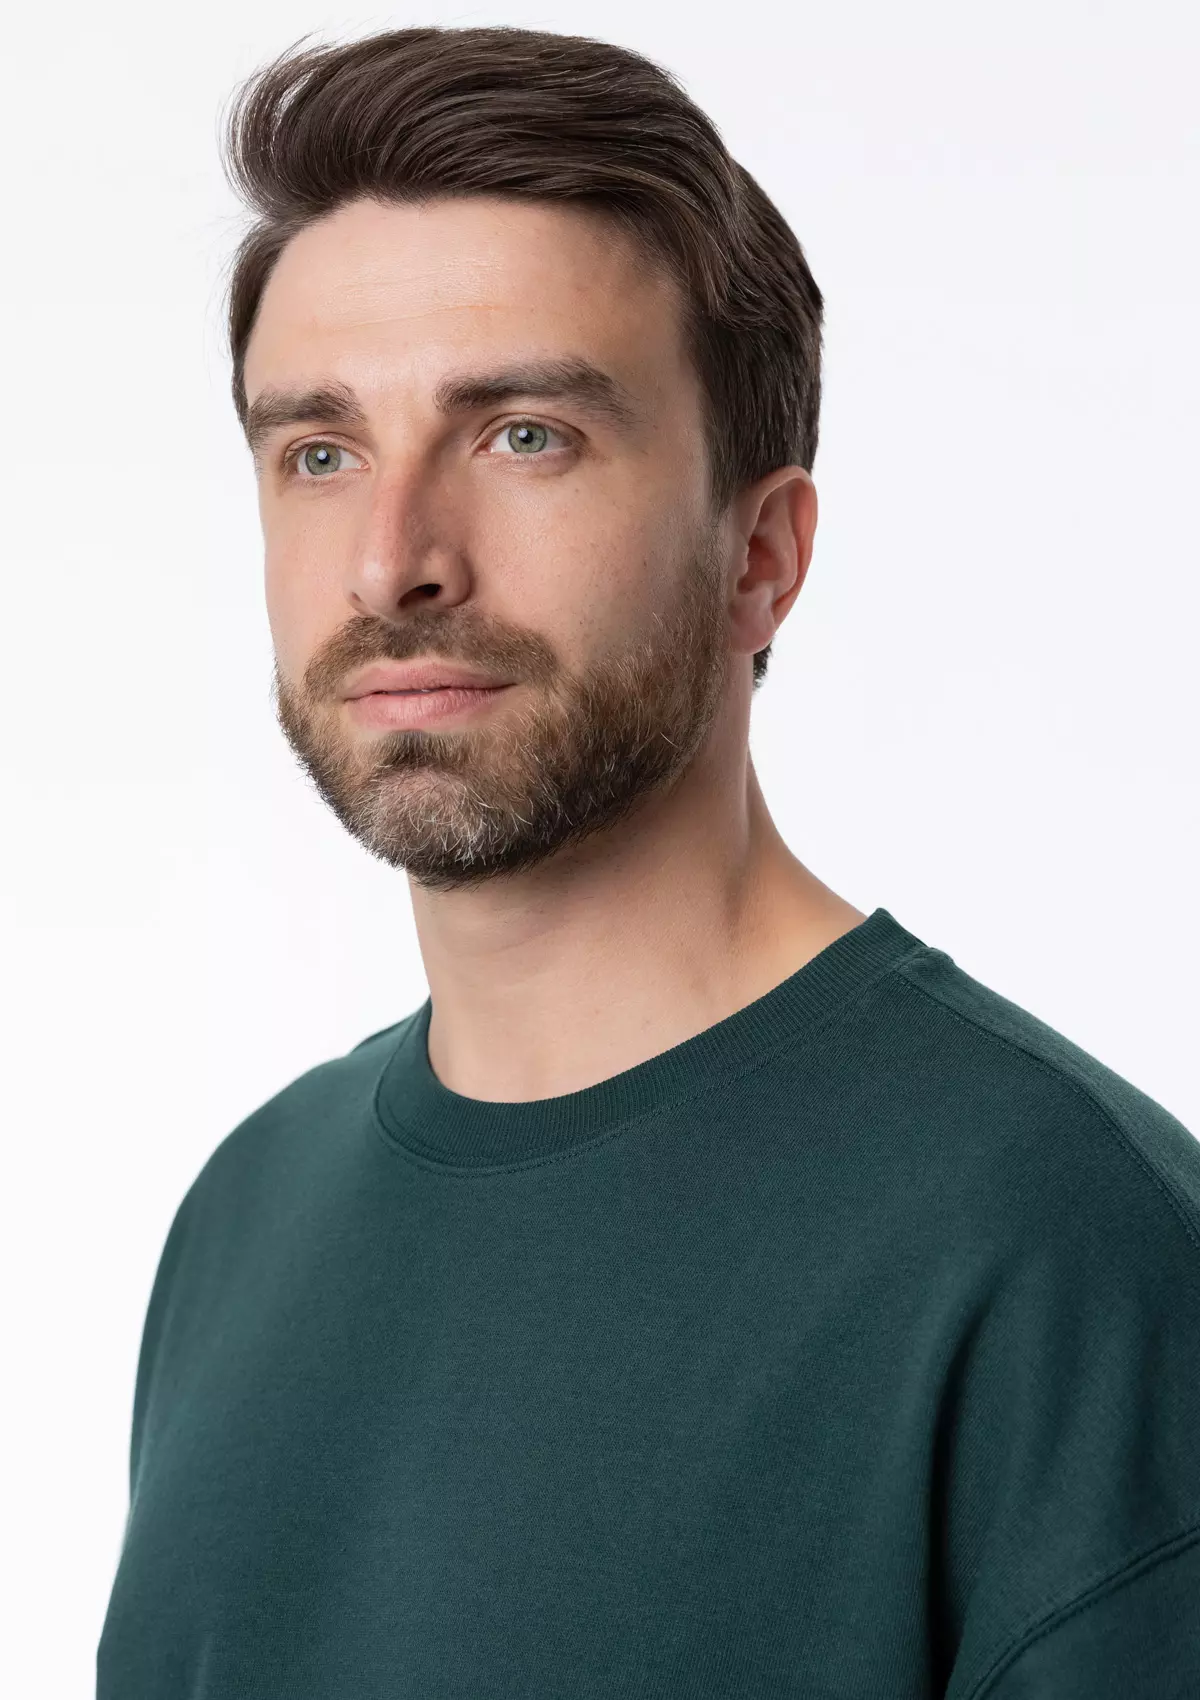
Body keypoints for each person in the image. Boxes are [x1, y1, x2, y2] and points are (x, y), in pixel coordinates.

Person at [97, 25, 1200, 1698]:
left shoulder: (1069, 1254)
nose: (393, 561)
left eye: (523, 434)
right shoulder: (245, 1220)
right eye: (320, 451)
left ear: (761, 556)